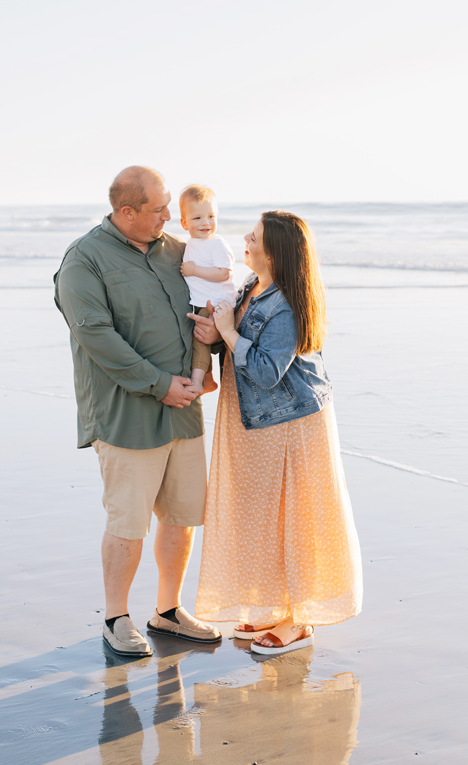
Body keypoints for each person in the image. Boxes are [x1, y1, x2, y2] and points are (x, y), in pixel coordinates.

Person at [54, 166, 221, 658]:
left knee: (181, 516)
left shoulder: (178, 253)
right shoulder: (84, 259)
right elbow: (96, 336)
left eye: (169, 206)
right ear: (126, 212)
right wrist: (159, 384)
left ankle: (167, 611)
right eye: (159, 209)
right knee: (128, 521)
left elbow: (202, 312)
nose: (171, 216)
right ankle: (115, 617)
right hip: (126, 413)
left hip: (184, 407)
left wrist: (200, 363)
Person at [192, 210, 363, 655]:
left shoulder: (286, 303)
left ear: (275, 253)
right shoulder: (252, 286)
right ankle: (272, 605)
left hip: (289, 426)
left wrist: (228, 332)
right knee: (262, 516)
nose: (244, 240)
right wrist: (217, 333)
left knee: (295, 517)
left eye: (253, 237)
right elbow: (238, 342)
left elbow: (267, 372)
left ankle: (297, 620)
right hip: (253, 423)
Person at [179, 184, 237, 394]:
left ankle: (200, 381)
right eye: (197, 218)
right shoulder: (192, 243)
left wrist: (194, 270)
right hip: (202, 301)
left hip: (217, 302)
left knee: (199, 340)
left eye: (211, 216)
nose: (206, 222)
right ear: (184, 223)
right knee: (198, 338)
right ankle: (210, 378)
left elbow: (224, 273)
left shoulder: (216, 243)